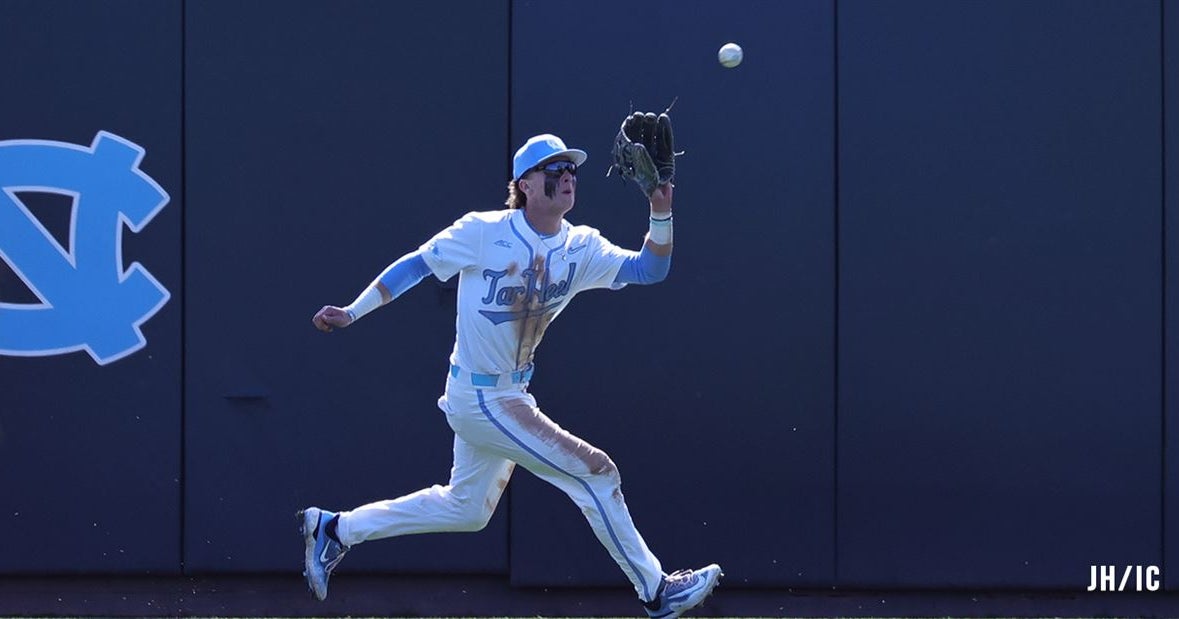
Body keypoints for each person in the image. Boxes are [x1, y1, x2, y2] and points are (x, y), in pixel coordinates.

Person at [300, 132, 721, 618]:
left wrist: (660, 208)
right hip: (479, 398)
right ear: (524, 183)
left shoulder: (581, 246)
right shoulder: (484, 232)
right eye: (554, 170)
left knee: (467, 509)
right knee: (597, 473)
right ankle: (656, 591)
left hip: (510, 393)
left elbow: (651, 270)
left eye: (572, 170)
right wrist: (354, 311)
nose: (566, 177)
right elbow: (417, 265)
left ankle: (334, 529)